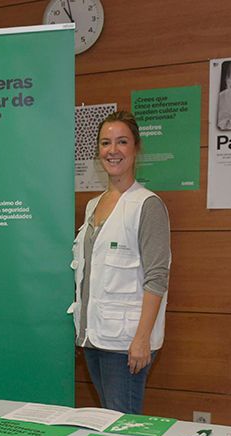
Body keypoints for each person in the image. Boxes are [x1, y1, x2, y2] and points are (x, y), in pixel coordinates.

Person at [71, 110, 171, 414]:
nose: (112, 151)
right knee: (108, 420)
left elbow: (157, 278)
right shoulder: (93, 205)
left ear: (136, 148)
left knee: (123, 426)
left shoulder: (147, 205)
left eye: (122, 142)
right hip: (94, 338)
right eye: (105, 143)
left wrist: (142, 339)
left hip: (126, 344)